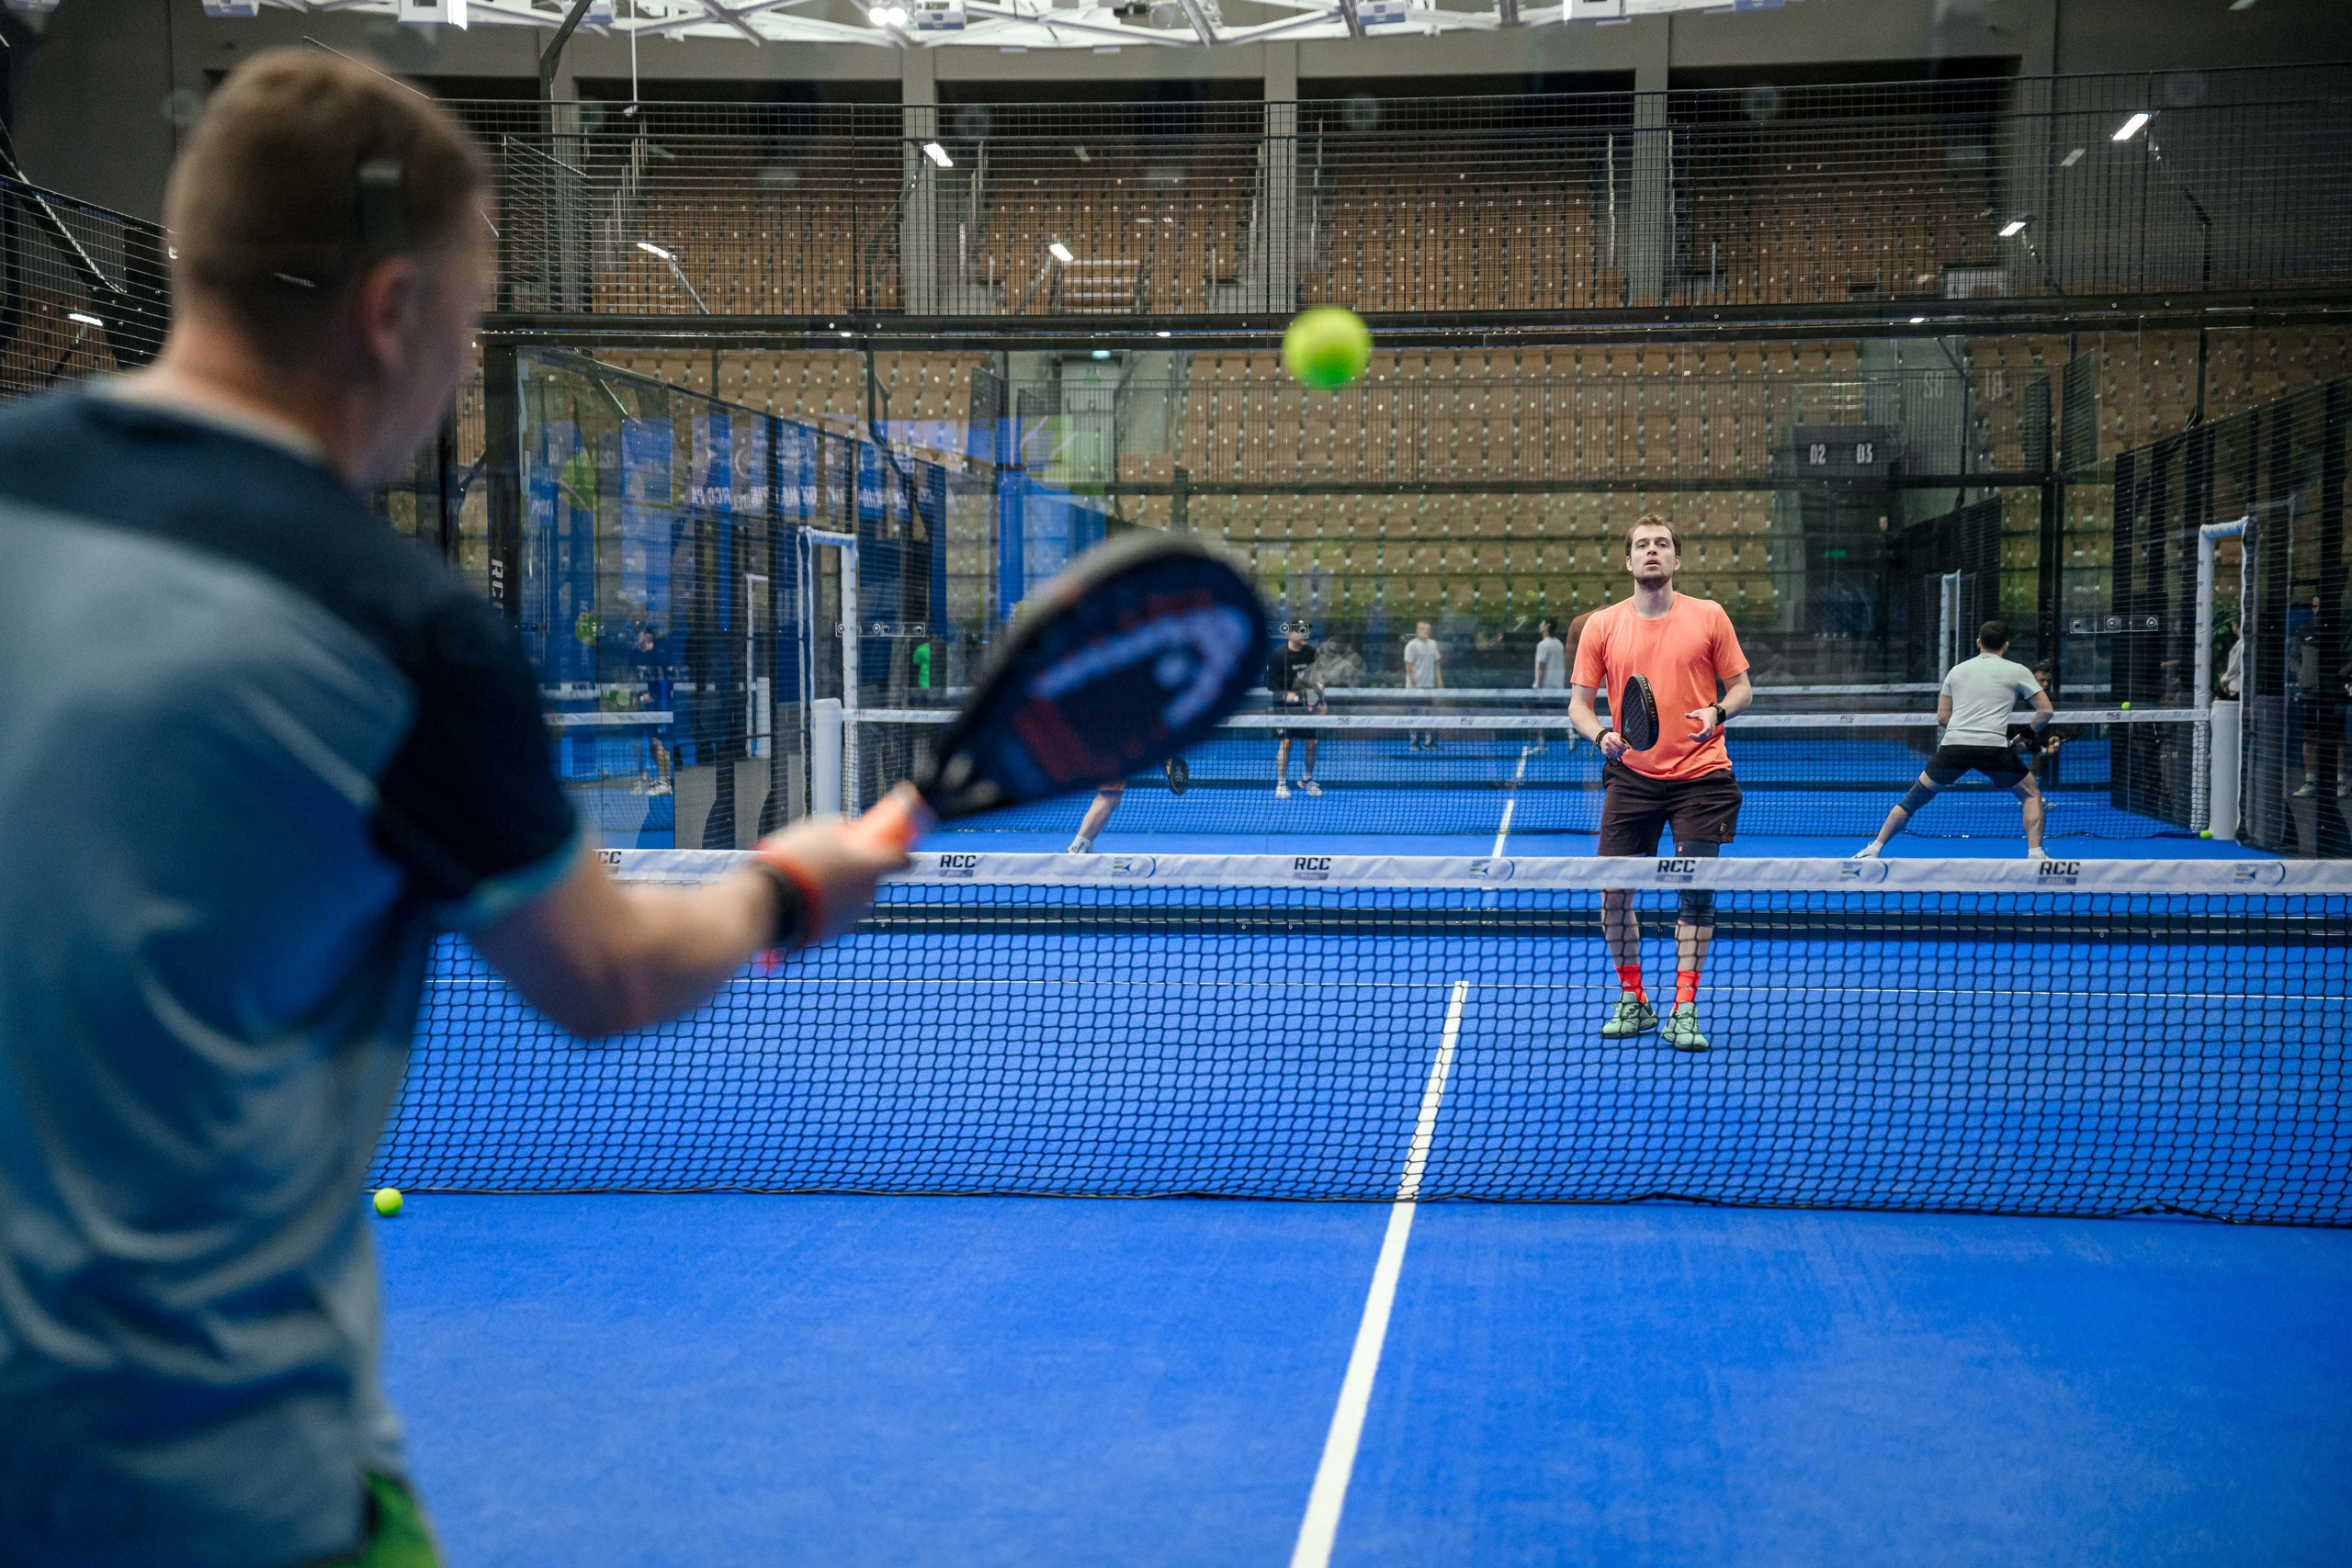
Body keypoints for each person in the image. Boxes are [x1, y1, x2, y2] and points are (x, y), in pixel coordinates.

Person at [0, 53, 905, 1568]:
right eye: (472, 317)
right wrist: (788, 884)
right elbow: (607, 974)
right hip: (202, 1478)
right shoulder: (397, 632)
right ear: (390, 310)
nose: (465, 356)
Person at [1566, 515, 1753, 1054]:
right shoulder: (1602, 626)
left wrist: (1718, 711)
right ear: (1629, 561)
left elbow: (1742, 689)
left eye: (1663, 544)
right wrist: (1600, 734)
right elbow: (1579, 706)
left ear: (1677, 559)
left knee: (1696, 894)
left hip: (1703, 774)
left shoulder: (1709, 615)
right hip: (1632, 775)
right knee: (1613, 894)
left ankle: (1684, 1008)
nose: (1653, 550)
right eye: (1643, 545)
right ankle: (1634, 998)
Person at [1854, 620, 2055, 860]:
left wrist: (1965, 730)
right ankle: (2035, 855)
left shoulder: (1956, 671)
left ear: (1979, 643)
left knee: (1913, 800)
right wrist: (2027, 735)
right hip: (1993, 749)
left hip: (1953, 747)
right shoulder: (2018, 671)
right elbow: (2045, 711)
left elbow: (1942, 717)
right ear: (2006, 645)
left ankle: (1875, 848)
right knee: (2031, 795)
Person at [1066, 757, 1188, 853]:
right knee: (1109, 797)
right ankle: (1078, 848)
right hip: (1111, 751)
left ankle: (1086, 846)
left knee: (1105, 797)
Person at [1269, 620, 1323, 797]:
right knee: (1286, 743)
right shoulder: (1278, 656)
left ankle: (1306, 780)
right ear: (1290, 635)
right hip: (1284, 707)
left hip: (1305, 705)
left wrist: (1320, 700)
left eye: (1305, 630)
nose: (1305, 634)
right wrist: (1286, 695)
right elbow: (1269, 682)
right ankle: (1281, 784)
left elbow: (1317, 677)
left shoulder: (1312, 653)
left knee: (1312, 743)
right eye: (1300, 631)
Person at [1403, 618, 1443, 750]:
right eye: (1422, 629)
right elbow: (1408, 666)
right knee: (1413, 714)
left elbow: (1436, 664)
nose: (1425, 631)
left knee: (1428, 714)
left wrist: (1439, 681)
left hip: (1428, 687)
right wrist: (1413, 684)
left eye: (1427, 629)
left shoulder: (1433, 644)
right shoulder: (1411, 645)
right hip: (1413, 689)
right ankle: (1414, 741)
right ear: (1417, 630)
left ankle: (1428, 741)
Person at [1531, 616, 1568, 753]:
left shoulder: (1543, 645)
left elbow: (1542, 667)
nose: (1540, 625)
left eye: (1542, 623)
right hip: (1558, 688)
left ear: (1546, 626)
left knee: (1539, 715)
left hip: (1545, 689)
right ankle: (1571, 735)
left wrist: (1540, 688)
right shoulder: (1559, 644)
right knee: (1562, 714)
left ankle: (1541, 744)